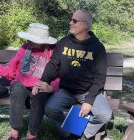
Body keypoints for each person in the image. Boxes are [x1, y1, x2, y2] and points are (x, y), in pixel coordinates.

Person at [35, 9, 112, 139]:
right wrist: (44, 81)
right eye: (71, 19)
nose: (71, 23)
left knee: (105, 115)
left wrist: (89, 101)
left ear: (86, 25)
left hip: (88, 91)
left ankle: (80, 135)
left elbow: (100, 77)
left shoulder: (97, 48)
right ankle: (71, 132)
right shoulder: (64, 42)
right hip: (66, 91)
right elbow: (53, 65)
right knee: (50, 109)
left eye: (75, 21)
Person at [0, 23, 59, 140]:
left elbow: (58, 76)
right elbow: (11, 70)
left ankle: (32, 135)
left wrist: (51, 87)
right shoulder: (25, 47)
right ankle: (14, 134)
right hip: (21, 83)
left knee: (40, 96)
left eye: (32, 39)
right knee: (17, 90)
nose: (29, 40)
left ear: (43, 41)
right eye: (29, 38)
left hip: (40, 85)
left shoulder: (52, 52)